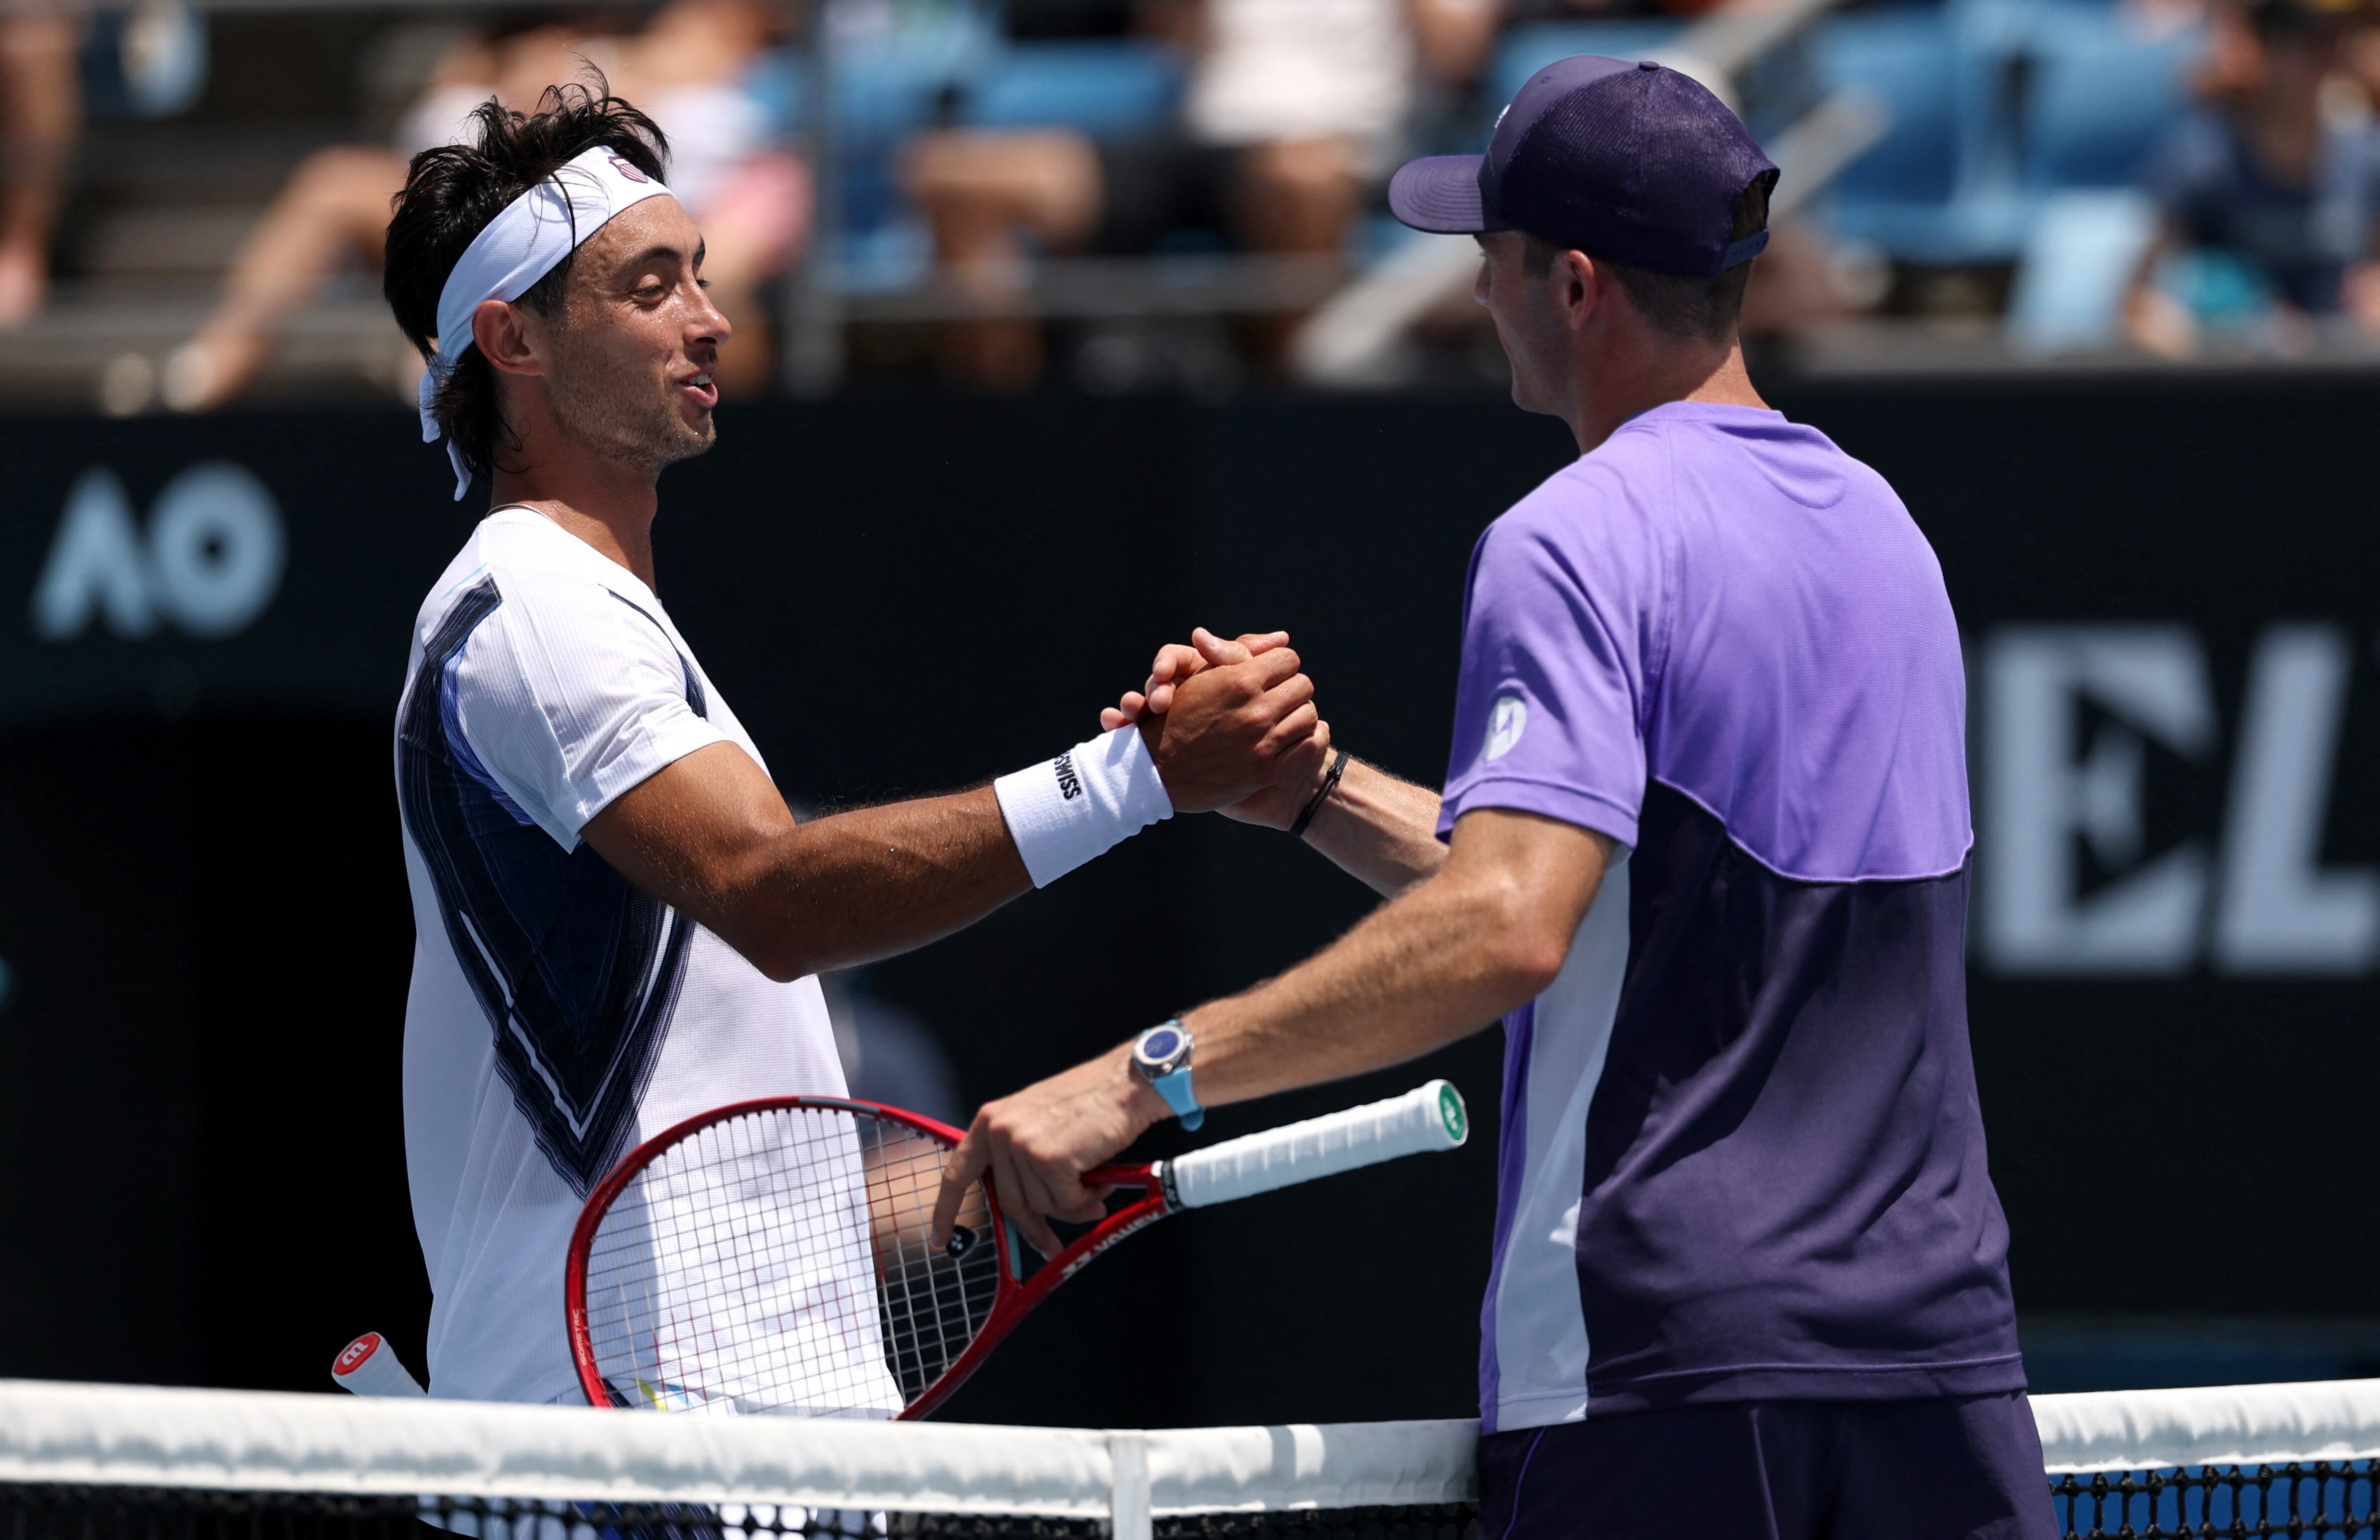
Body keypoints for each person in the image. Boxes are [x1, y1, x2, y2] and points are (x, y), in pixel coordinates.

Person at [933, 55, 2055, 1539]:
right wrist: (1315, 791)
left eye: (1492, 253)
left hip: (1665, 1372)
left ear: (1574, 285)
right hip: (1938, 1369)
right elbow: (1635, 896)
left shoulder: (1572, 533)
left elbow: (1510, 927)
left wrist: (1138, 1078)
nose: (1473, 289)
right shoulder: (1882, 528)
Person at [380, 80, 1326, 1408]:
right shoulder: (532, 609)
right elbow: (773, 893)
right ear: (513, 338)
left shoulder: (585, 610)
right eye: (651, 287)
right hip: (631, 1441)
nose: (709, 318)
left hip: (731, 1425)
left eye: (701, 274)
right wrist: (1138, 777)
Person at [166, 0, 806, 412]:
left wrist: (591, 65)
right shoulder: (489, 48)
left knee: (703, 279)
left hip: (634, 224)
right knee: (333, 182)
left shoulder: (701, 37)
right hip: (487, 212)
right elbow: (453, 102)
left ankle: (455, 351)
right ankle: (203, 379)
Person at [901, 0, 1501, 386]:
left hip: (1339, 149)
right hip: (1197, 141)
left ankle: (1290, 414)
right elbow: (1166, 39)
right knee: (953, 180)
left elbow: (1459, 53)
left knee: (1297, 176)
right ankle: (1000, 432)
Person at [2126, 0, 2380, 358]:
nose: (2322, 57)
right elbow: (2139, 298)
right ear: (2264, 45)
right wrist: (2184, 334)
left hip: (2342, 375)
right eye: (2304, 40)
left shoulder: (2369, 158)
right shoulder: (2202, 159)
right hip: (2231, 375)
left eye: (2335, 39)